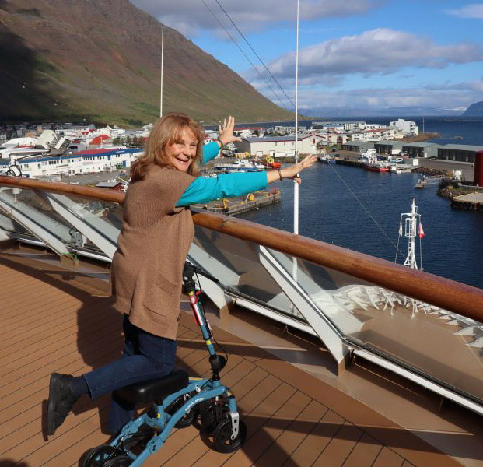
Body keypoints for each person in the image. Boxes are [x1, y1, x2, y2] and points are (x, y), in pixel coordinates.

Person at [46, 113, 316, 437]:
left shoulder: (149, 171)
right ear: (163, 144)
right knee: (158, 362)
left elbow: (190, 161)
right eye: (179, 143)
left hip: (131, 270)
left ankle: (119, 430)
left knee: (133, 353)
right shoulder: (169, 183)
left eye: (193, 144)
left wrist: (219, 145)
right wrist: (282, 173)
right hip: (149, 280)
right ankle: (73, 388)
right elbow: (221, 186)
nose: (188, 152)